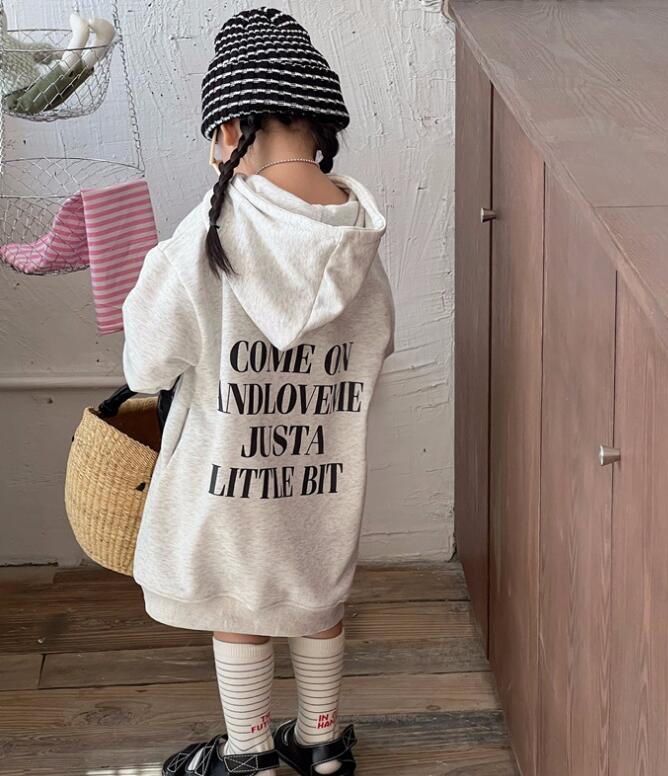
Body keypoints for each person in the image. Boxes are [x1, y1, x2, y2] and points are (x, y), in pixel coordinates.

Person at [121, 8, 394, 776]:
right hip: (324, 475)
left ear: (232, 128)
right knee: (316, 593)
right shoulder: (358, 238)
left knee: (238, 606)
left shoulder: (208, 235)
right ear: (317, 126)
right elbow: (377, 344)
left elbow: (147, 364)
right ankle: (321, 743)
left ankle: (248, 755)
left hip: (227, 482)